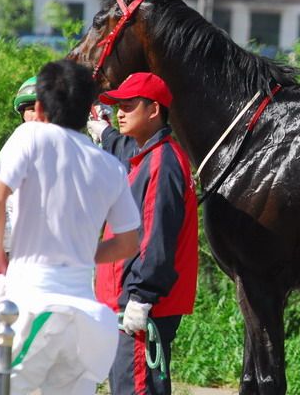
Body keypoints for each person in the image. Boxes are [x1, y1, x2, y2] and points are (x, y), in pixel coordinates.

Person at [0, 60, 141, 395]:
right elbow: (127, 244)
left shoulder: (30, 136)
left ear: (39, 106)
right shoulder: (108, 165)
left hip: (34, 305)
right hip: (87, 321)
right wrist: (76, 250)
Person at [87, 72, 198, 395]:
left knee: (135, 389)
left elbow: (156, 235)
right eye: (118, 106)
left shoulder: (161, 161)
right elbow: (123, 150)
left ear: (154, 110)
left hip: (139, 304)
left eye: (129, 105)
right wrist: (105, 132)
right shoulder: (149, 154)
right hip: (127, 301)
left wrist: (141, 296)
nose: (120, 112)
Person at [2, 76, 41, 258]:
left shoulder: (73, 149)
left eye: (42, 108)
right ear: (22, 114)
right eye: (31, 109)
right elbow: (0, 204)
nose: (36, 115)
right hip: (22, 255)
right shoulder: (16, 147)